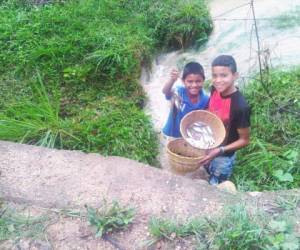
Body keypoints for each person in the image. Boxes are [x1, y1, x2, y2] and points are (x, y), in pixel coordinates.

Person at [199, 55, 251, 185]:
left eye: (223, 75)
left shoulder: (240, 106)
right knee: (205, 169)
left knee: (217, 183)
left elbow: (244, 140)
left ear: (235, 75)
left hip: (223, 156)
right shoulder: (214, 90)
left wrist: (219, 150)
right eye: (214, 75)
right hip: (209, 144)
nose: (218, 80)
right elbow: (211, 108)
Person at [162, 62, 209, 138]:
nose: (194, 85)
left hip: (189, 136)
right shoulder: (179, 92)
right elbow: (165, 92)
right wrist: (172, 80)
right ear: (183, 81)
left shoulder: (205, 99)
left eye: (198, 81)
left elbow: (204, 118)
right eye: (190, 81)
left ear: (203, 80)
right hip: (171, 133)